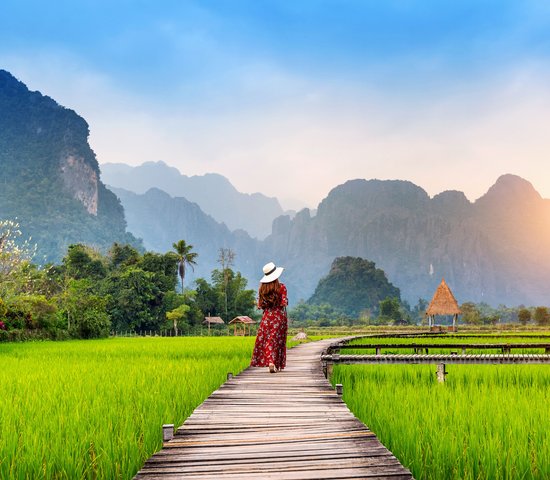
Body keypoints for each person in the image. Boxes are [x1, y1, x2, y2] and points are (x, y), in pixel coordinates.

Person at [250, 261, 288, 373]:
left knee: (268, 340)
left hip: (267, 317)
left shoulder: (262, 289)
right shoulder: (282, 287)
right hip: (279, 317)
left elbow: (260, 305)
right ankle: (274, 362)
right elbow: (283, 303)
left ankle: (270, 362)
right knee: (278, 340)